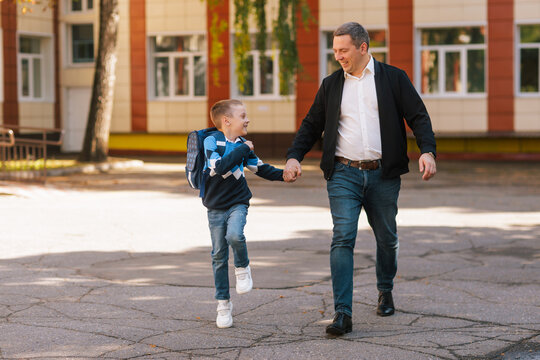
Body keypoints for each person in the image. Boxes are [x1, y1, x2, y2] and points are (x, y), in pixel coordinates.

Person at [283, 22, 437, 336]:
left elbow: (418, 116)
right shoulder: (331, 84)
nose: (337, 56)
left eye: (343, 50)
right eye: (335, 50)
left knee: (387, 239)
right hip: (343, 173)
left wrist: (428, 151)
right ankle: (343, 313)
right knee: (342, 238)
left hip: (383, 174)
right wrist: (293, 156)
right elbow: (312, 124)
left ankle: (385, 288)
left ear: (362, 48)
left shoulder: (393, 79)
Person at [203, 99, 285, 328]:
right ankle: (223, 305)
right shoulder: (211, 140)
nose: (247, 119)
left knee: (235, 236)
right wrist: (243, 148)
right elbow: (218, 167)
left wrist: (284, 175)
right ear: (227, 121)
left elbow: (261, 168)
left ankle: (242, 267)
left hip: (238, 202)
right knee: (219, 256)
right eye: (243, 115)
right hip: (215, 206)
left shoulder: (242, 145)